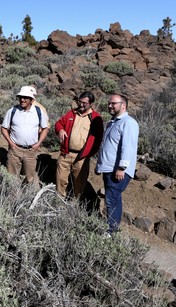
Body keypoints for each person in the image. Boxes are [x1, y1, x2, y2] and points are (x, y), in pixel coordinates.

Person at [95, 94, 139, 234]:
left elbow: (129, 146)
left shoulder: (128, 122)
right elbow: (108, 146)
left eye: (113, 103)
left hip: (118, 170)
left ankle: (110, 231)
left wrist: (122, 167)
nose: (110, 106)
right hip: (108, 168)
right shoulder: (112, 123)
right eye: (109, 103)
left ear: (123, 105)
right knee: (113, 199)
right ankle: (112, 229)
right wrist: (99, 165)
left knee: (111, 200)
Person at [55, 91, 104, 198]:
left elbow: (98, 139)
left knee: (79, 183)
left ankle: (75, 204)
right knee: (61, 180)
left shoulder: (96, 118)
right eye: (79, 102)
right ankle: (59, 200)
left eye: (84, 103)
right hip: (65, 154)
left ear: (91, 104)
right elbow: (58, 123)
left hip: (81, 157)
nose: (81, 105)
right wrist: (60, 130)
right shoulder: (72, 113)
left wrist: (88, 154)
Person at [1, 86, 49, 184]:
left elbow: (45, 128)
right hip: (14, 150)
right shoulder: (12, 111)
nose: (22, 100)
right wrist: (10, 142)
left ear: (31, 100)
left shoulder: (39, 112)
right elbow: (4, 128)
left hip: (31, 151)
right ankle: (13, 197)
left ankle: (28, 197)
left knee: (30, 178)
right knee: (12, 178)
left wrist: (38, 143)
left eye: (25, 98)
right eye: (21, 97)